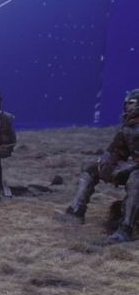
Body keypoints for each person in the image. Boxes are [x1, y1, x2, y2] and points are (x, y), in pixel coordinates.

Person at [55, 88, 139, 244]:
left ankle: (126, 228)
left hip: (136, 171)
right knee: (91, 168)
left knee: (136, 179)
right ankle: (76, 211)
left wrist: (129, 167)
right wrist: (106, 164)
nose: (127, 106)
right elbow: (116, 150)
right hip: (133, 167)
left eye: (131, 103)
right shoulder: (127, 126)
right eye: (127, 103)